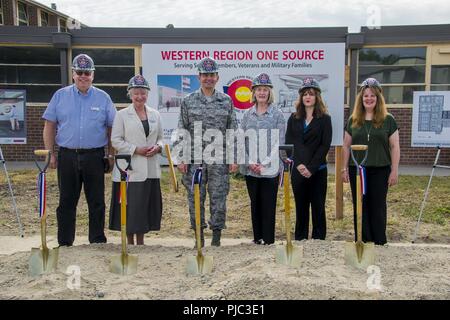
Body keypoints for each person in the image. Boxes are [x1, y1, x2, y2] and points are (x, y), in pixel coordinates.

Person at [42, 53, 116, 246]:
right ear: (73, 74)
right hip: (67, 156)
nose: (83, 76)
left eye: (87, 72)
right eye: (79, 72)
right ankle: (65, 242)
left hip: (95, 156)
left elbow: (111, 128)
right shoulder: (60, 96)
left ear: (93, 75)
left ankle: (97, 241)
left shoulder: (103, 98)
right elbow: (50, 125)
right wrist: (50, 153)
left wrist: (110, 154)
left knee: (97, 201)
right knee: (66, 201)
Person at [175, 57, 238, 247]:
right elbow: (181, 129)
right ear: (199, 77)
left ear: (217, 77)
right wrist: (181, 157)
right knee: (196, 197)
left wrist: (234, 158)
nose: (208, 78)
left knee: (218, 197)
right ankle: (198, 237)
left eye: (211, 75)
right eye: (205, 75)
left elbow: (232, 130)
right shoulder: (188, 101)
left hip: (219, 158)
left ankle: (216, 237)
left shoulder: (226, 100)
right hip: (194, 159)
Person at [342, 77, 400, 245]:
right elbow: (346, 146)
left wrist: (394, 170)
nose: (368, 99)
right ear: (361, 98)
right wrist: (344, 168)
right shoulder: (353, 120)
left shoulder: (388, 119)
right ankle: (362, 239)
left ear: (378, 98)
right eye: (365, 96)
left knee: (378, 206)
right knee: (360, 205)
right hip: (357, 170)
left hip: (380, 170)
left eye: (372, 96)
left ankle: (379, 240)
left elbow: (395, 146)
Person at [109, 75, 163, 245]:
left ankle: (141, 241)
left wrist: (158, 147)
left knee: (145, 206)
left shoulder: (155, 114)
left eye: (143, 93)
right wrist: (135, 150)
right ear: (130, 95)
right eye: (136, 93)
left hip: (150, 168)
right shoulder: (122, 115)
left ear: (147, 94)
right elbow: (116, 141)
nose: (140, 97)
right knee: (130, 207)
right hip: (129, 169)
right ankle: (129, 242)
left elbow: (161, 138)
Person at [240, 73, 285, 245]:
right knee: (255, 203)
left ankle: (268, 239)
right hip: (251, 169)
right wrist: (250, 162)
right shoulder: (247, 115)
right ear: (254, 92)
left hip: (270, 168)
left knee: (268, 204)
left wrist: (265, 164)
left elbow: (279, 142)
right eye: (259, 89)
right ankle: (257, 237)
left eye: (265, 90)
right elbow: (241, 139)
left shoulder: (277, 114)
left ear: (269, 92)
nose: (262, 93)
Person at [285, 78, 332, 241]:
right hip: (298, 170)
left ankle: (319, 240)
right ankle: (300, 238)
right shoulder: (293, 118)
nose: (307, 97)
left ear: (317, 97)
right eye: (304, 93)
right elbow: (290, 144)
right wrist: (298, 164)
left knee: (318, 207)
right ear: (300, 97)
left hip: (317, 171)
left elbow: (325, 145)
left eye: (311, 94)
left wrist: (311, 168)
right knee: (301, 207)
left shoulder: (325, 119)